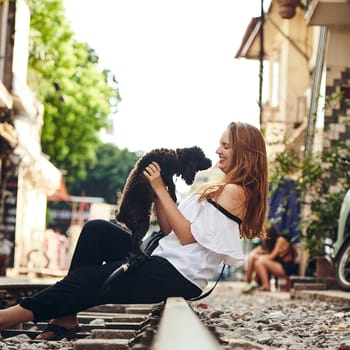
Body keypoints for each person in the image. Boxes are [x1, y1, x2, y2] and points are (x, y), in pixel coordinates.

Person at [0, 121, 268, 340]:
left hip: (177, 274)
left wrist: (161, 190)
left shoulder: (235, 192)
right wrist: (159, 188)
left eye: (226, 146)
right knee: (97, 230)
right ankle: (65, 317)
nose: (218, 150)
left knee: (89, 280)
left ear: (244, 151)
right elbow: (169, 231)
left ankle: (6, 318)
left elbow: (186, 237)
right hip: (165, 260)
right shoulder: (218, 188)